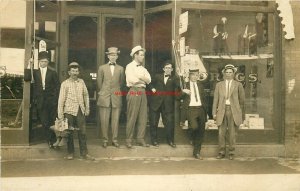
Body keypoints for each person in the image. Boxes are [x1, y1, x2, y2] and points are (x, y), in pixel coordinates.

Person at [57, 62, 94, 160]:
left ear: (78, 72)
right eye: (73, 71)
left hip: (80, 110)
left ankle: (84, 153)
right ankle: (70, 153)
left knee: (82, 132)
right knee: (69, 132)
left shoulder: (81, 82)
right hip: (68, 111)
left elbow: (86, 95)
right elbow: (61, 100)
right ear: (69, 72)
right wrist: (60, 115)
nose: (75, 73)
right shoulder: (65, 84)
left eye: (76, 71)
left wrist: (87, 108)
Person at [24, 51, 60, 148]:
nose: (43, 63)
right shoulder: (35, 72)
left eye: (45, 61)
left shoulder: (53, 72)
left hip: (51, 101)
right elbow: (26, 78)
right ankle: (50, 140)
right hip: (40, 100)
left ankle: (53, 140)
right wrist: (29, 64)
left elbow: (57, 87)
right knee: (44, 121)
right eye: (41, 61)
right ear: (39, 61)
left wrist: (55, 99)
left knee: (52, 121)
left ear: (48, 62)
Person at [212, 64, 245, 160]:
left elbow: (242, 101)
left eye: (230, 72)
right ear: (224, 73)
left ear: (234, 73)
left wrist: (241, 115)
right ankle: (221, 152)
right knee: (221, 133)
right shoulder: (219, 85)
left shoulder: (238, 85)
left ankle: (231, 152)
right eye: (227, 72)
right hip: (221, 110)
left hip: (233, 111)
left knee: (232, 133)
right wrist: (214, 113)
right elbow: (215, 100)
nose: (228, 74)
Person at [148, 60, 180, 148]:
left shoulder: (175, 79)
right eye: (166, 68)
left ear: (172, 69)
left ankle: (170, 141)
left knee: (169, 123)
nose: (168, 69)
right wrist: (152, 89)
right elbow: (149, 83)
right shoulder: (157, 76)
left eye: (169, 68)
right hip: (156, 103)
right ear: (163, 69)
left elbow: (177, 90)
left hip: (167, 104)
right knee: (154, 122)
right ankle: (154, 141)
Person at [97, 47, 125, 148]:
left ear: (117, 56)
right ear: (108, 56)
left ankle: (114, 139)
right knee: (104, 119)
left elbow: (121, 83)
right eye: (111, 55)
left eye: (115, 55)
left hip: (116, 96)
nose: (113, 57)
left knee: (115, 120)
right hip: (104, 96)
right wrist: (104, 92)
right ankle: (105, 140)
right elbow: (99, 83)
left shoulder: (121, 68)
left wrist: (115, 91)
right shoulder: (102, 68)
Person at [125, 45, 151, 148]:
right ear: (135, 55)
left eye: (143, 55)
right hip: (133, 91)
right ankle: (129, 139)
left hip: (142, 92)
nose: (143, 57)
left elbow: (149, 80)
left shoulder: (143, 68)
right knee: (132, 116)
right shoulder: (129, 66)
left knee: (143, 116)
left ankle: (140, 139)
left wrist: (140, 77)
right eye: (141, 55)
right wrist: (142, 79)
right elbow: (132, 80)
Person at [180, 69, 208, 159]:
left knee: (201, 131)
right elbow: (177, 96)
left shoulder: (200, 85)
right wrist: (183, 91)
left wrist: (206, 112)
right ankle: (191, 136)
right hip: (191, 109)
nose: (195, 77)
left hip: (200, 109)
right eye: (193, 75)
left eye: (197, 75)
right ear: (189, 76)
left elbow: (204, 99)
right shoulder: (185, 85)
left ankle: (197, 152)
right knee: (194, 127)